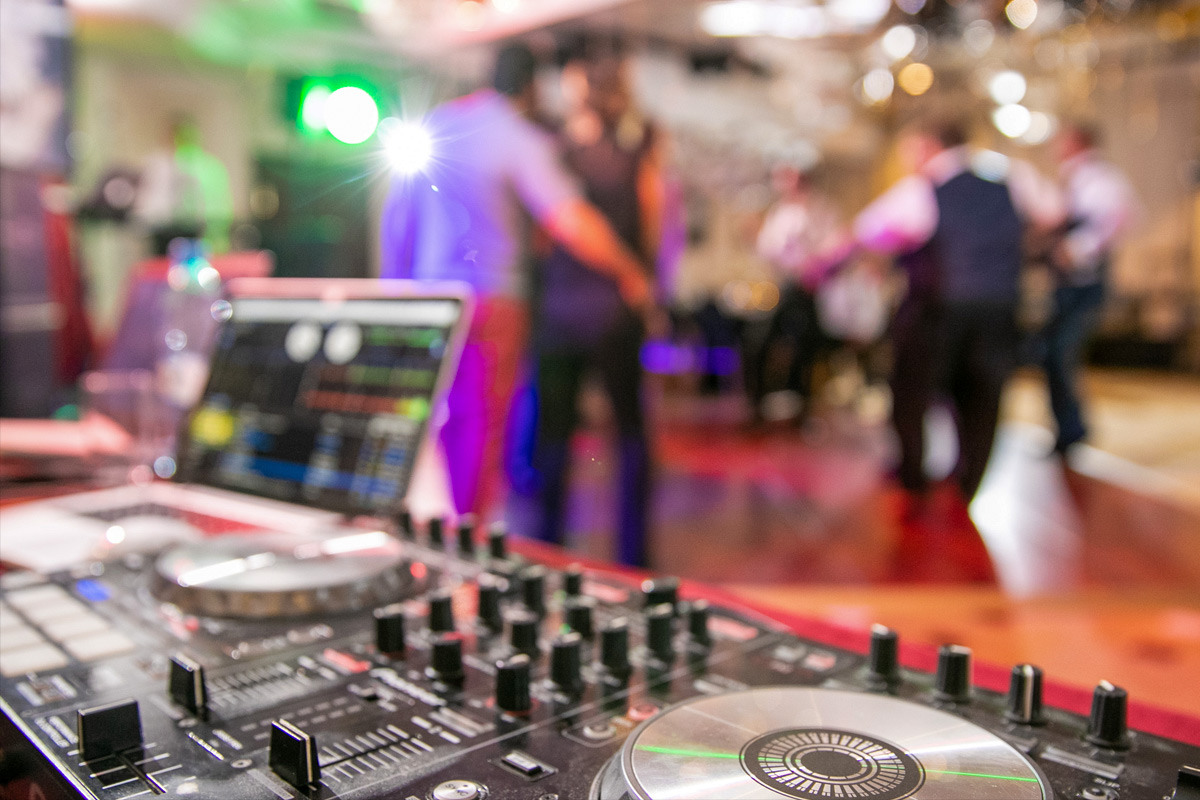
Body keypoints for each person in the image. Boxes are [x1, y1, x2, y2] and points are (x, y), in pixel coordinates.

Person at [379, 43, 650, 522]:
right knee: (482, 436)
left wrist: (394, 293)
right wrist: (632, 272)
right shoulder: (516, 136)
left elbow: (395, 223)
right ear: (529, 88)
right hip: (492, 305)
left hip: (427, 303)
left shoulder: (435, 129)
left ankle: (444, 530)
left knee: (440, 428)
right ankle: (468, 544)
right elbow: (570, 220)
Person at [853, 119, 1060, 504]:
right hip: (1000, 305)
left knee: (912, 391)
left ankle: (914, 476)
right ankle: (968, 485)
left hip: (939, 308)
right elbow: (1054, 213)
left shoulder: (923, 188)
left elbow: (870, 228)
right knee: (984, 397)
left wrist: (900, 255)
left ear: (929, 146)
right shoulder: (1013, 179)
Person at [531, 56, 662, 567]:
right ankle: (635, 555)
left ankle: (545, 547)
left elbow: (547, 233)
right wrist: (643, 280)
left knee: (556, 436)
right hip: (613, 304)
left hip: (566, 305)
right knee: (628, 432)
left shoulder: (553, 151)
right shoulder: (638, 147)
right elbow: (654, 226)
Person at [1042, 122, 1136, 455]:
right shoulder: (1074, 178)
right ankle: (1068, 428)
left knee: (1061, 353)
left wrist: (1078, 249)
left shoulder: (1100, 178)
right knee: (1052, 355)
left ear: (1076, 142)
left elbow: (1120, 218)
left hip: (1085, 284)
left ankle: (1073, 429)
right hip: (1067, 284)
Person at [749, 166, 843, 425]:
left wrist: (816, 266)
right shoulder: (779, 213)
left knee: (808, 349)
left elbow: (835, 247)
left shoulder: (822, 210)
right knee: (761, 341)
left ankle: (802, 407)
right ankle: (760, 404)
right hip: (785, 286)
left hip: (812, 289)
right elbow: (768, 251)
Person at [134, 116, 233, 255]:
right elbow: (148, 201)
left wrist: (217, 234)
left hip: (200, 231)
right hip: (163, 231)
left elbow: (220, 206)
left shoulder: (209, 167)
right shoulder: (158, 165)